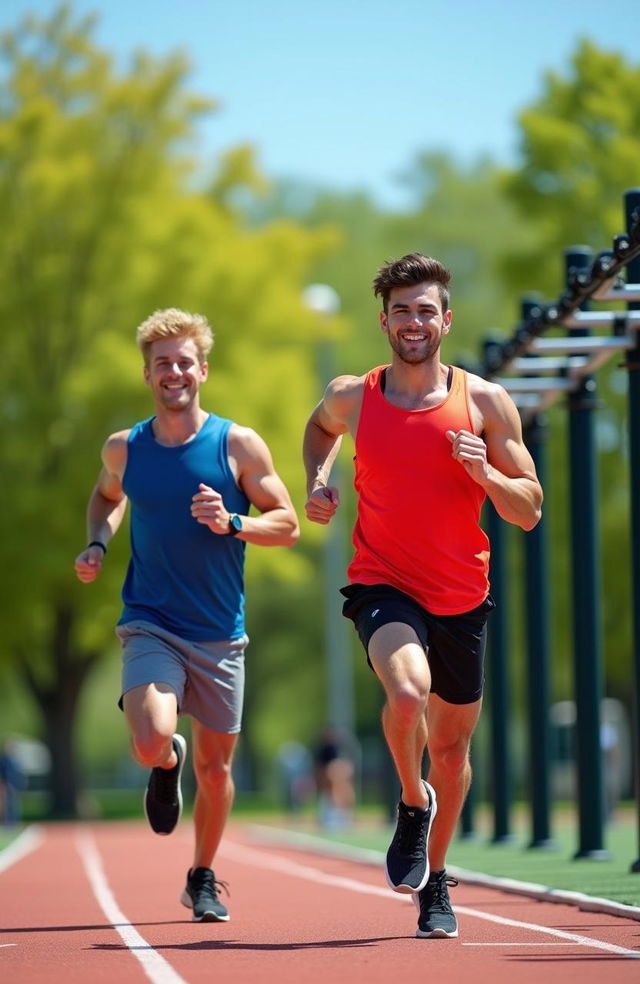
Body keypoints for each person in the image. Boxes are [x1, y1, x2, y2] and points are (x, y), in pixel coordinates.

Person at [303, 254, 542, 939]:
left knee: (451, 750)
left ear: (447, 319)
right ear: (385, 320)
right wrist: (321, 479)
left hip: (462, 595)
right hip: (383, 583)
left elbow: (529, 509)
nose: (414, 321)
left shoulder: (487, 402)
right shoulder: (355, 395)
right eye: (402, 310)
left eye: (425, 309)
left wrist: (486, 473)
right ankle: (412, 804)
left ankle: (436, 882)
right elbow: (320, 430)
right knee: (407, 694)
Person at [75, 308, 299, 923]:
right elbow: (105, 496)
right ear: (147, 375)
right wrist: (98, 541)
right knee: (149, 740)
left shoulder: (237, 444)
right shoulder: (126, 447)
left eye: (183, 361)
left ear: (202, 369)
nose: (174, 371)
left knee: (217, 766)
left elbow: (288, 525)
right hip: (150, 620)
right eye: (161, 364)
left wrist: (232, 521)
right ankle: (163, 759)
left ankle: (201, 875)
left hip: (221, 631)